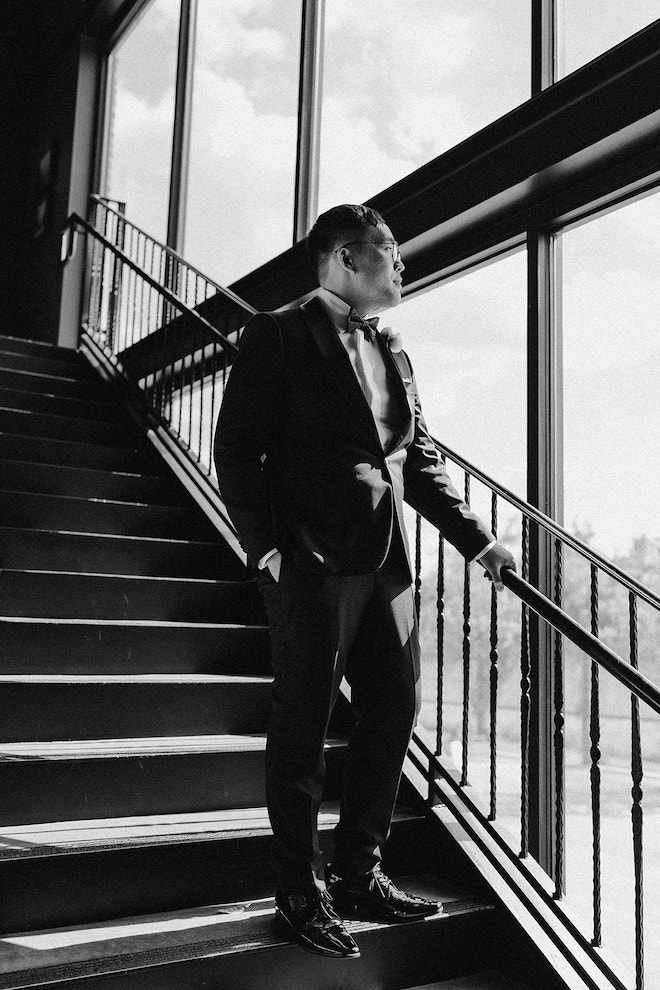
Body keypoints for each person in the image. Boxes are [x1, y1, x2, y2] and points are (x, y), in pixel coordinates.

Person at [214, 203, 516, 960]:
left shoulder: (393, 347)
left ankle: (359, 875)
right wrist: (265, 551)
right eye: (392, 255)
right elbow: (236, 451)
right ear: (347, 258)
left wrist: (478, 541)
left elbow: (414, 460)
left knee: (395, 705)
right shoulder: (277, 333)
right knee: (304, 723)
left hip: (387, 564)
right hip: (308, 562)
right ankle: (296, 892)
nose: (403, 267)